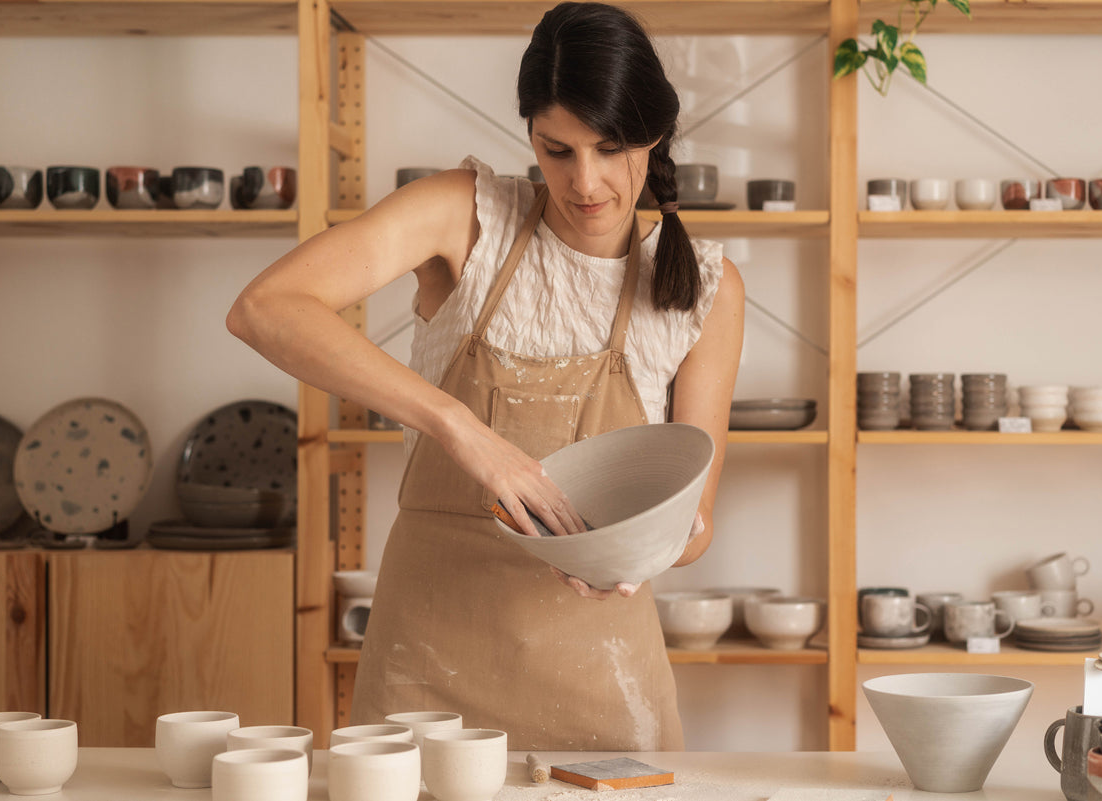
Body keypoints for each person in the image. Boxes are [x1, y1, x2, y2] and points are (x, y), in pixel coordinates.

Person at [226, 0, 744, 751]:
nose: (586, 182)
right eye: (557, 150)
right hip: (426, 669)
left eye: (611, 147)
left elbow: (697, 519)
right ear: (529, 135)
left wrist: (650, 550)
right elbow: (264, 308)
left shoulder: (704, 287)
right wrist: (459, 426)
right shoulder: (465, 217)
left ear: (654, 135)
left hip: (604, 672)